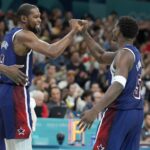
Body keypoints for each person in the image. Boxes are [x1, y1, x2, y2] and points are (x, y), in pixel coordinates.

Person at [0, 3, 82, 150]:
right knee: (21, 144)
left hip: (3, 93)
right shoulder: (25, 35)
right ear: (24, 18)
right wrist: (74, 31)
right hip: (15, 94)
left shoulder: (10, 34)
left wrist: (4, 68)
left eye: (40, 16)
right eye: (36, 16)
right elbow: (53, 51)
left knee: (7, 144)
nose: (40, 20)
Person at [78, 16, 144, 150]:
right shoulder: (132, 53)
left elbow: (119, 84)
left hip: (120, 112)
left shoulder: (124, 55)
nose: (113, 30)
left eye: (115, 27)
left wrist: (95, 110)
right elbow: (101, 56)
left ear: (119, 31)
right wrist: (84, 33)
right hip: (136, 113)